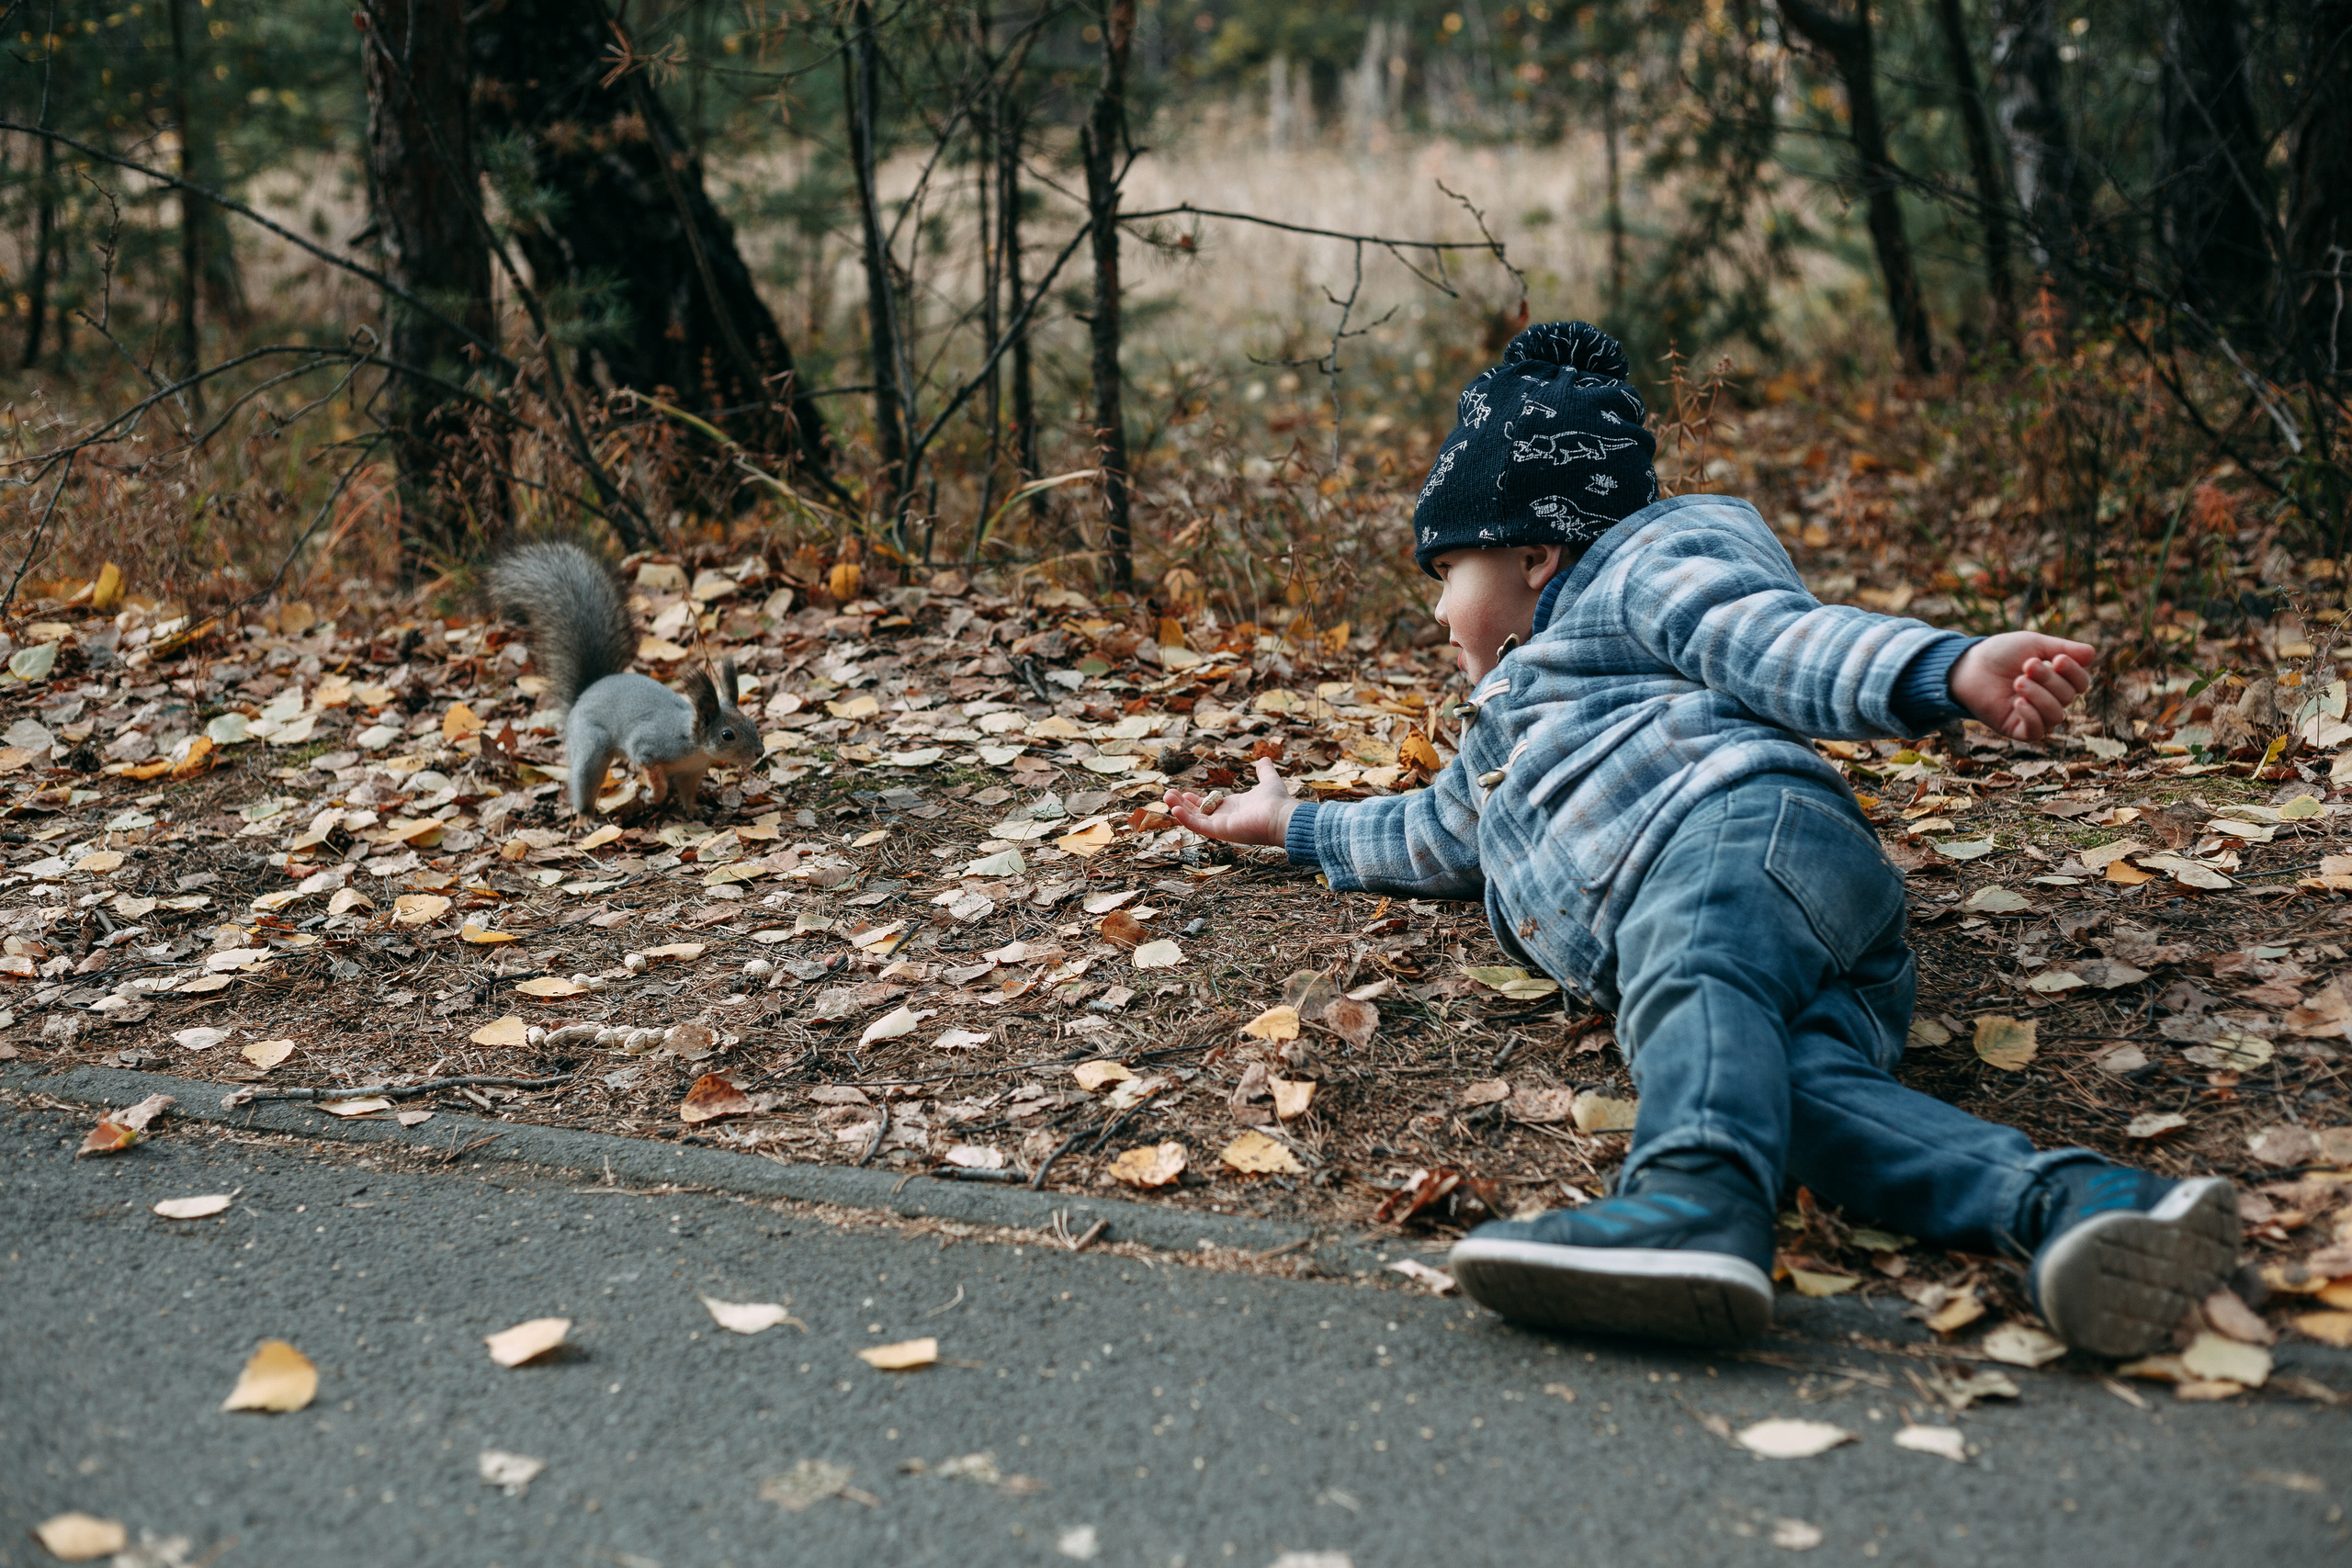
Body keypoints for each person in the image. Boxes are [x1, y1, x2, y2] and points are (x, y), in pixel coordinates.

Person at [1165, 321, 2237, 1352]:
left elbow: (1777, 640)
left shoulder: (1643, 571)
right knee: (1787, 1103)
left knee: (1691, 963)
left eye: (1445, 574)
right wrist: (1290, 824)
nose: (1439, 614)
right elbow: (1437, 834)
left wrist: (1939, 669)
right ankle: (2078, 1205)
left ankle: (1690, 1202)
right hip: (1785, 946)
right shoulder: (1505, 727)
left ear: (1533, 553)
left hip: (1736, 836)